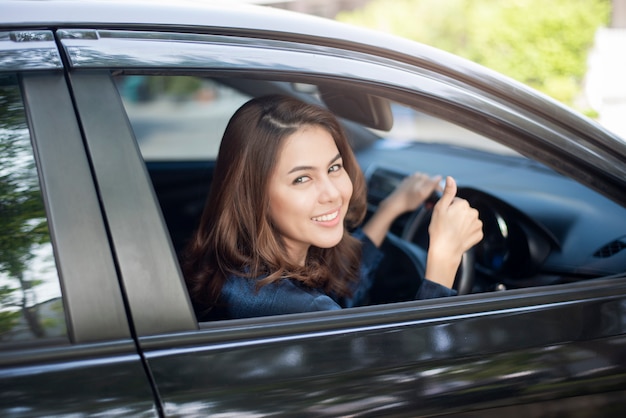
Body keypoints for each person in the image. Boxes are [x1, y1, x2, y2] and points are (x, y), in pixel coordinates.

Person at [183, 94, 483, 321]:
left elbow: (347, 287)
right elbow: (416, 372)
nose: (333, 193)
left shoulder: (240, 270)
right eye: (302, 179)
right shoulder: (302, 310)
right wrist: (444, 258)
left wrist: (391, 209)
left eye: (334, 167)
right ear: (253, 194)